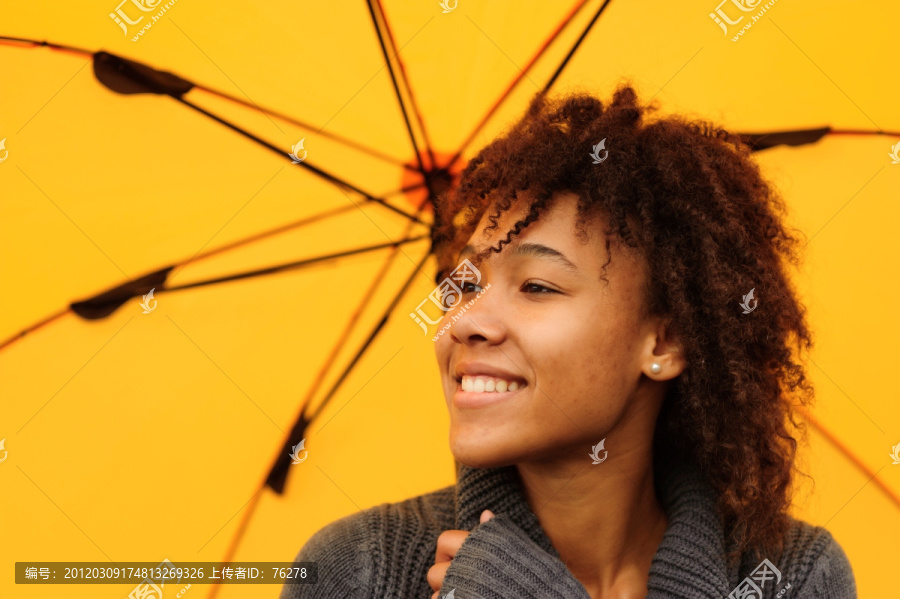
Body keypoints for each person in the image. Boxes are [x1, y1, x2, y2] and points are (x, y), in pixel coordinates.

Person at [279, 83, 856, 599]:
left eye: (536, 285)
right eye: (464, 284)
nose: (463, 322)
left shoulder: (792, 576)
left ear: (665, 343)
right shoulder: (359, 572)